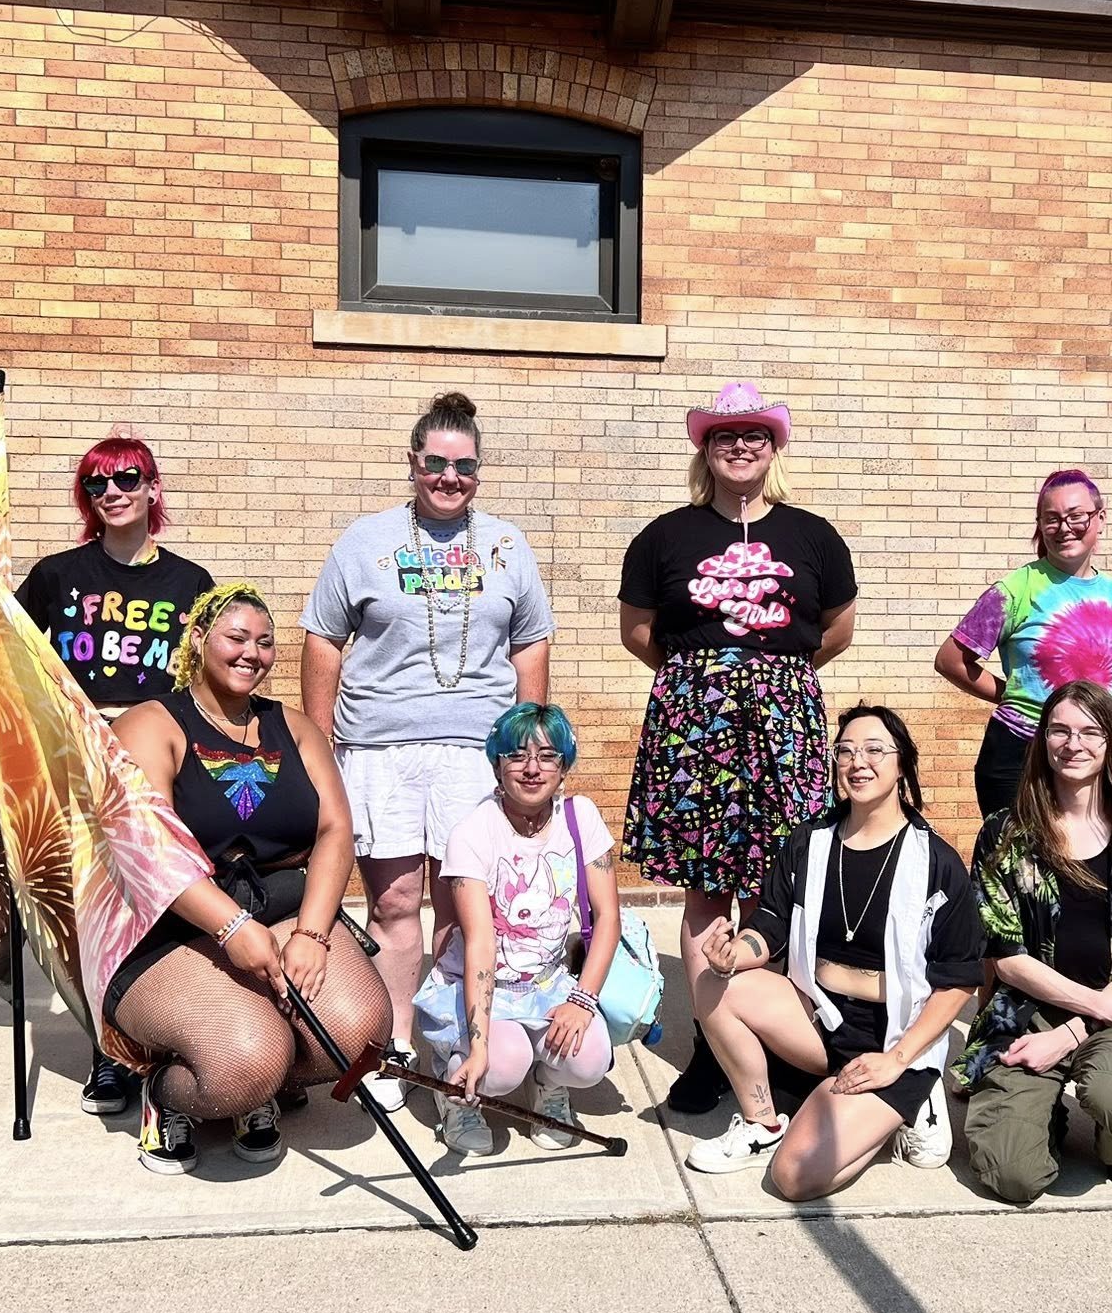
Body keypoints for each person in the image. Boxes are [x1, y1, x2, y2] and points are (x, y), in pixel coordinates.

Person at [300, 393, 554, 1109]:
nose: (449, 476)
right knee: (394, 901)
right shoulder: (366, 539)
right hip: (379, 748)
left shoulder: (505, 545)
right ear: (413, 463)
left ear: (479, 470)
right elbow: (323, 636)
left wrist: (526, 740)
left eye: (463, 465)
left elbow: (531, 641)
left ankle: (454, 1044)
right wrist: (318, 746)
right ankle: (394, 1044)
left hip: (474, 754)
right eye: (436, 462)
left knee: (462, 904)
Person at [619, 380, 857, 1115]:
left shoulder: (813, 534)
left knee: (771, 890)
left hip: (784, 723)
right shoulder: (666, 535)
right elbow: (638, 632)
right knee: (704, 891)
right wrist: (708, 683)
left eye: (754, 433)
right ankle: (712, 1049)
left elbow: (836, 628)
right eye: (725, 434)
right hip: (695, 727)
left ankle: (767, 1033)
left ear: (773, 446)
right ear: (706, 448)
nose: (740, 444)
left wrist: (771, 682)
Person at [105, 583, 393, 1174]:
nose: (251, 653)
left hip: (283, 908)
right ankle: (167, 1090)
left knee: (358, 1029)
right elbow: (147, 845)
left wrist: (312, 936)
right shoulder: (150, 723)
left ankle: (265, 1076)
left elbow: (336, 830)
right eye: (236, 637)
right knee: (246, 1059)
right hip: (171, 927)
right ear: (200, 641)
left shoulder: (295, 727)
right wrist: (231, 924)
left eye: (265, 643)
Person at [685, 706, 982, 1198]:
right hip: (821, 1020)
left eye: (873, 750)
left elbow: (958, 980)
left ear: (903, 763)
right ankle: (762, 1123)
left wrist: (898, 1060)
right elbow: (770, 926)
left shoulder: (937, 863)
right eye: (844, 751)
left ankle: (905, 1104)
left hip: (894, 1038)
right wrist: (733, 955)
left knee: (793, 1177)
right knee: (716, 985)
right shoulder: (810, 842)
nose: (856, 762)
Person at [19, 433, 214, 1117]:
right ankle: (110, 1054)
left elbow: (207, 679)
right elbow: (8, 657)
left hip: (157, 757)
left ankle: (166, 1033)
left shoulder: (190, 583)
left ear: (153, 489)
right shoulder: (56, 575)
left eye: (128, 479)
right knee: (93, 907)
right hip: (80, 757)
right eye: (97, 484)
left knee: (160, 900)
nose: (113, 493)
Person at [954, 680, 1112, 1206]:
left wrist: (1071, 1032)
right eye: (1060, 730)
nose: (1074, 743)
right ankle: (1045, 1114)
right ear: (1042, 740)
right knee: (1011, 1176)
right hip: (1028, 1010)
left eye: (1090, 731)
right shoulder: (1004, 832)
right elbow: (1005, 956)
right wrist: (1074, 1014)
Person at [934, 468, 1112, 821]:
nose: (1064, 527)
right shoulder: (1014, 590)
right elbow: (951, 660)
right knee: (1022, 870)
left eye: (1076, 516)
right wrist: (1013, 693)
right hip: (1025, 756)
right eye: (1051, 519)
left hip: (1102, 754)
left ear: (1100, 519)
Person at [413, 703, 621, 1156]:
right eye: (516, 755)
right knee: (500, 1068)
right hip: (487, 984)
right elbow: (481, 944)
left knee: (589, 1061)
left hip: (548, 983)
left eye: (547, 756)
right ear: (497, 764)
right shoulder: (472, 832)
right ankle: (453, 1083)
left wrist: (582, 1002)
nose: (532, 768)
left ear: (564, 765)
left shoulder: (580, 817)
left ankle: (548, 1086)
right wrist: (479, 1046)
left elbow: (607, 917)